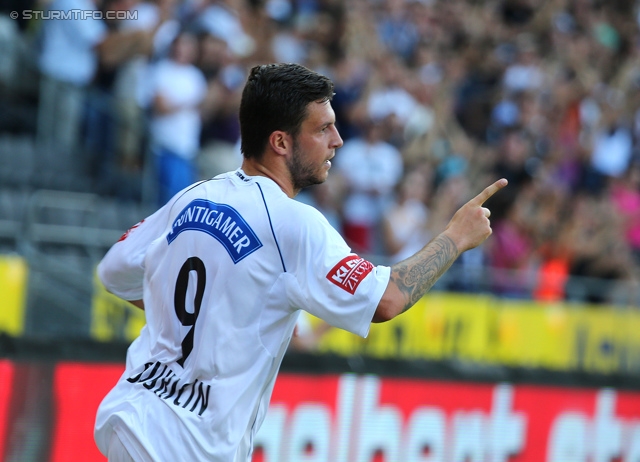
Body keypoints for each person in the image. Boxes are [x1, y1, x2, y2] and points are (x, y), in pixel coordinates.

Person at [93, 63, 507, 461]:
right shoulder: (294, 222)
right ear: (281, 142)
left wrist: (208, 328)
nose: (337, 140)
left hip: (134, 412)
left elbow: (115, 271)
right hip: (185, 444)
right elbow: (387, 300)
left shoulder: (195, 195)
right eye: (323, 128)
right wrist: (455, 238)